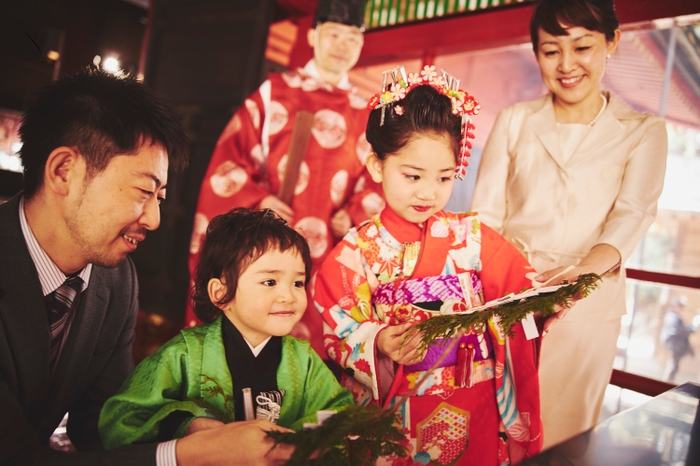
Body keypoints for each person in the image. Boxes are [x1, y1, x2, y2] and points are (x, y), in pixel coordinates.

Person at [0, 68, 297, 465]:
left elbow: (105, 419)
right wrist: (188, 455)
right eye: (143, 191)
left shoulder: (114, 280)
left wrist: (186, 428)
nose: (154, 219)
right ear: (63, 171)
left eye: (160, 196)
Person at [313, 66, 551, 465]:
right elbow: (339, 325)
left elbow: (520, 290)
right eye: (413, 175)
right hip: (399, 406)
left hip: (473, 395)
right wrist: (379, 341)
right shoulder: (355, 252)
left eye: (443, 178)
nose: (428, 193)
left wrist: (546, 301)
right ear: (377, 166)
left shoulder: (472, 237)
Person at [470, 0, 668, 449]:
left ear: (611, 42)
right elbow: (486, 217)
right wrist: (510, 286)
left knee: (564, 442)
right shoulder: (515, 121)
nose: (566, 65)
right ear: (536, 52)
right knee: (493, 435)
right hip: (507, 300)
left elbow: (631, 216)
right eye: (551, 50)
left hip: (587, 310)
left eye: (582, 47)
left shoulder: (643, 130)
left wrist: (573, 279)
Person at [185, 0, 383, 359]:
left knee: (310, 360)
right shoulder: (275, 92)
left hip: (329, 255)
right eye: (334, 34)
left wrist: (354, 212)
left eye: (352, 38)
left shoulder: (365, 112)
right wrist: (258, 198)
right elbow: (227, 162)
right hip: (268, 244)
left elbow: (377, 181)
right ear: (312, 35)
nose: (342, 45)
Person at [99, 208, 353, 448]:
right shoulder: (184, 354)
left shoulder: (303, 360)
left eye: (298, 283)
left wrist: (286, 443)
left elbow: (340, 411)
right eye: (270, 281)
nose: (288, 296)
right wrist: (187, 425)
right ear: (220, 293)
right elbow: (122, 419)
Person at [660, 296, 696, 382]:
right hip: (673, 346)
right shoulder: (673, 317)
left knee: (674, 366)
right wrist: (691, 328)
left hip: (674, 346)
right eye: (680, 307)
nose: (681, 309)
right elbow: (679, 331)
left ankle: (667, 385)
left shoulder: (674, 317)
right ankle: (665, 386)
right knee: (672, 366)